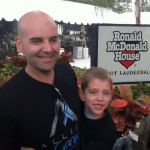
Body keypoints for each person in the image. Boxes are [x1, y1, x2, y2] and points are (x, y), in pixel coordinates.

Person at [0, 10, 81, 150]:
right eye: (36, 41)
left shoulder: (67, 73)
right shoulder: (7, 99)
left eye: (53, 39)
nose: (48, 49)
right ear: (19, 44)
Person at [79, 67, 117, 150]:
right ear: (82, 95)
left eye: (106, 93)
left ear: (111, 95)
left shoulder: (108, 131)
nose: (100, 98)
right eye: (93, 92)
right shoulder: (74, 109)